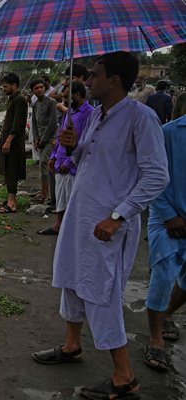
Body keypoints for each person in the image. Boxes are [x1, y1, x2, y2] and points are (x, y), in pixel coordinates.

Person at [31, 52, 169, 400]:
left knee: (100, 292)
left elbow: (156, 176)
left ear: (115, 80)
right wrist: (72, 147)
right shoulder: (95, 117)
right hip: (82, 216)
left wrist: (119, 216)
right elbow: (85, 162)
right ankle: (72, 344)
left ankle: (124, 377)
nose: (87, 81)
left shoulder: (141, 118)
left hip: (110, 225)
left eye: (94, 75)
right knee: (72, 280)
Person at [143, 94, 186, 372]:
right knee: (162, 275)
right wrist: (169, 214)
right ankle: (155, 339)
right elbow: (150, 173)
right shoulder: (169, 133)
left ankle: (167, 313)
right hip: (166, 216)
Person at [38, 82, 94, 236]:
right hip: (60, 160)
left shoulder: (90, 113)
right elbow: (60, 135)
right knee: (61, 197)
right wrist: (54, 156)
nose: (63, 101)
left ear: (76, 95)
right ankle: (58, 225)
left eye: (65, 97)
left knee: (72, 200)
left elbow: (85, 141)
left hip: (74, 165)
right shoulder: (69, 112)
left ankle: (72, 229)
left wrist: (70, 162)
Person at [0, 73, 27, 214]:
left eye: (5, 86)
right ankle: (10, 198)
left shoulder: (20, 100)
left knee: (12, 170)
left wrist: (8, 141)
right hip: (8, 140)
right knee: (7, 170)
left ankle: (12, 203)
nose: (3, 89)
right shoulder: (12, 99)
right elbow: (9, 122)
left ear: (14, 86)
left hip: (13, 143)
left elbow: (18, 124)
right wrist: (1, 138)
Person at [30, 78, 58, 205]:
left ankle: (47, 193)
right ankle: (44, 191)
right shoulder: (35, 104)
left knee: (44, 163)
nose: (40, 89)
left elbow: (53, 124)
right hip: (40, 139)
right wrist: (36, 138)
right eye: (36, 88)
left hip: (50, 139)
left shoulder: (51, 102)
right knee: (44, 166)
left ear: (45, 88)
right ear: (33, 91)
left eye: (41, 87)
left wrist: (43, 140)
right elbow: (34, 124)